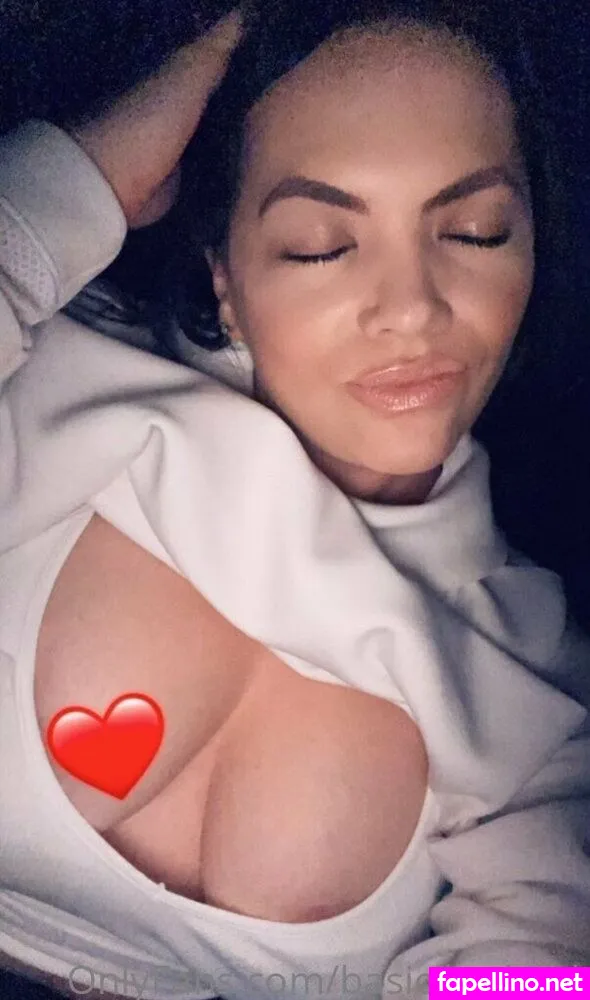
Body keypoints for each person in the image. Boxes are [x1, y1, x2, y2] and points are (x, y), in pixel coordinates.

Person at [1, 1, 589, 998]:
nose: (411, 309)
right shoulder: (55, 378)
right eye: (319, 244)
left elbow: (542, 979)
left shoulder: (537, 676)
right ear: (226, 284)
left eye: (475, 232)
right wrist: (80, 175)